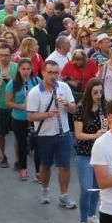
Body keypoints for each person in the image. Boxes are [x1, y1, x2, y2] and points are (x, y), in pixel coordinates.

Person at [27, 59, 78, 207]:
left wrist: (67, 105)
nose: (53, 76)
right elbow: (30, 116)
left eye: (56, 73)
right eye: (50, 72)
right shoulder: (35, 92)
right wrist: (47, 114)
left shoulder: (64, 87)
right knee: (45, 165)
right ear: (43, 73)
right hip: (45, 135)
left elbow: (74, 109)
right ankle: (44, 190)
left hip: (64, 134)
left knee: (65, 165)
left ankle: (64, 196)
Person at [73, 78, 106, 223]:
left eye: (101, 92)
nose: (99, 95)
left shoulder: (105, 108)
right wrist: (95, 135)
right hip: (84, 153)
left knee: (97, 187)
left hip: (101, 154)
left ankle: (92, 215)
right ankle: (82, 222)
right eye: (95, 92)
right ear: (89, 92)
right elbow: (78, 134)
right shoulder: (81, 109)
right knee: (86, 188)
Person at [5, 59, 40, 182]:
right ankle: (23, 169)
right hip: (19, 118)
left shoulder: (37, 81)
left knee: (37, 145)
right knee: (22, 145)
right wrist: (21, 106)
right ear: (19, 69)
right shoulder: (12, 84)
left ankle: (38, 172)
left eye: (28, 69)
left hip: (35, 118)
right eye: (23, 69)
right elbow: (8, 102)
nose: (26, 72)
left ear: (32, 69)